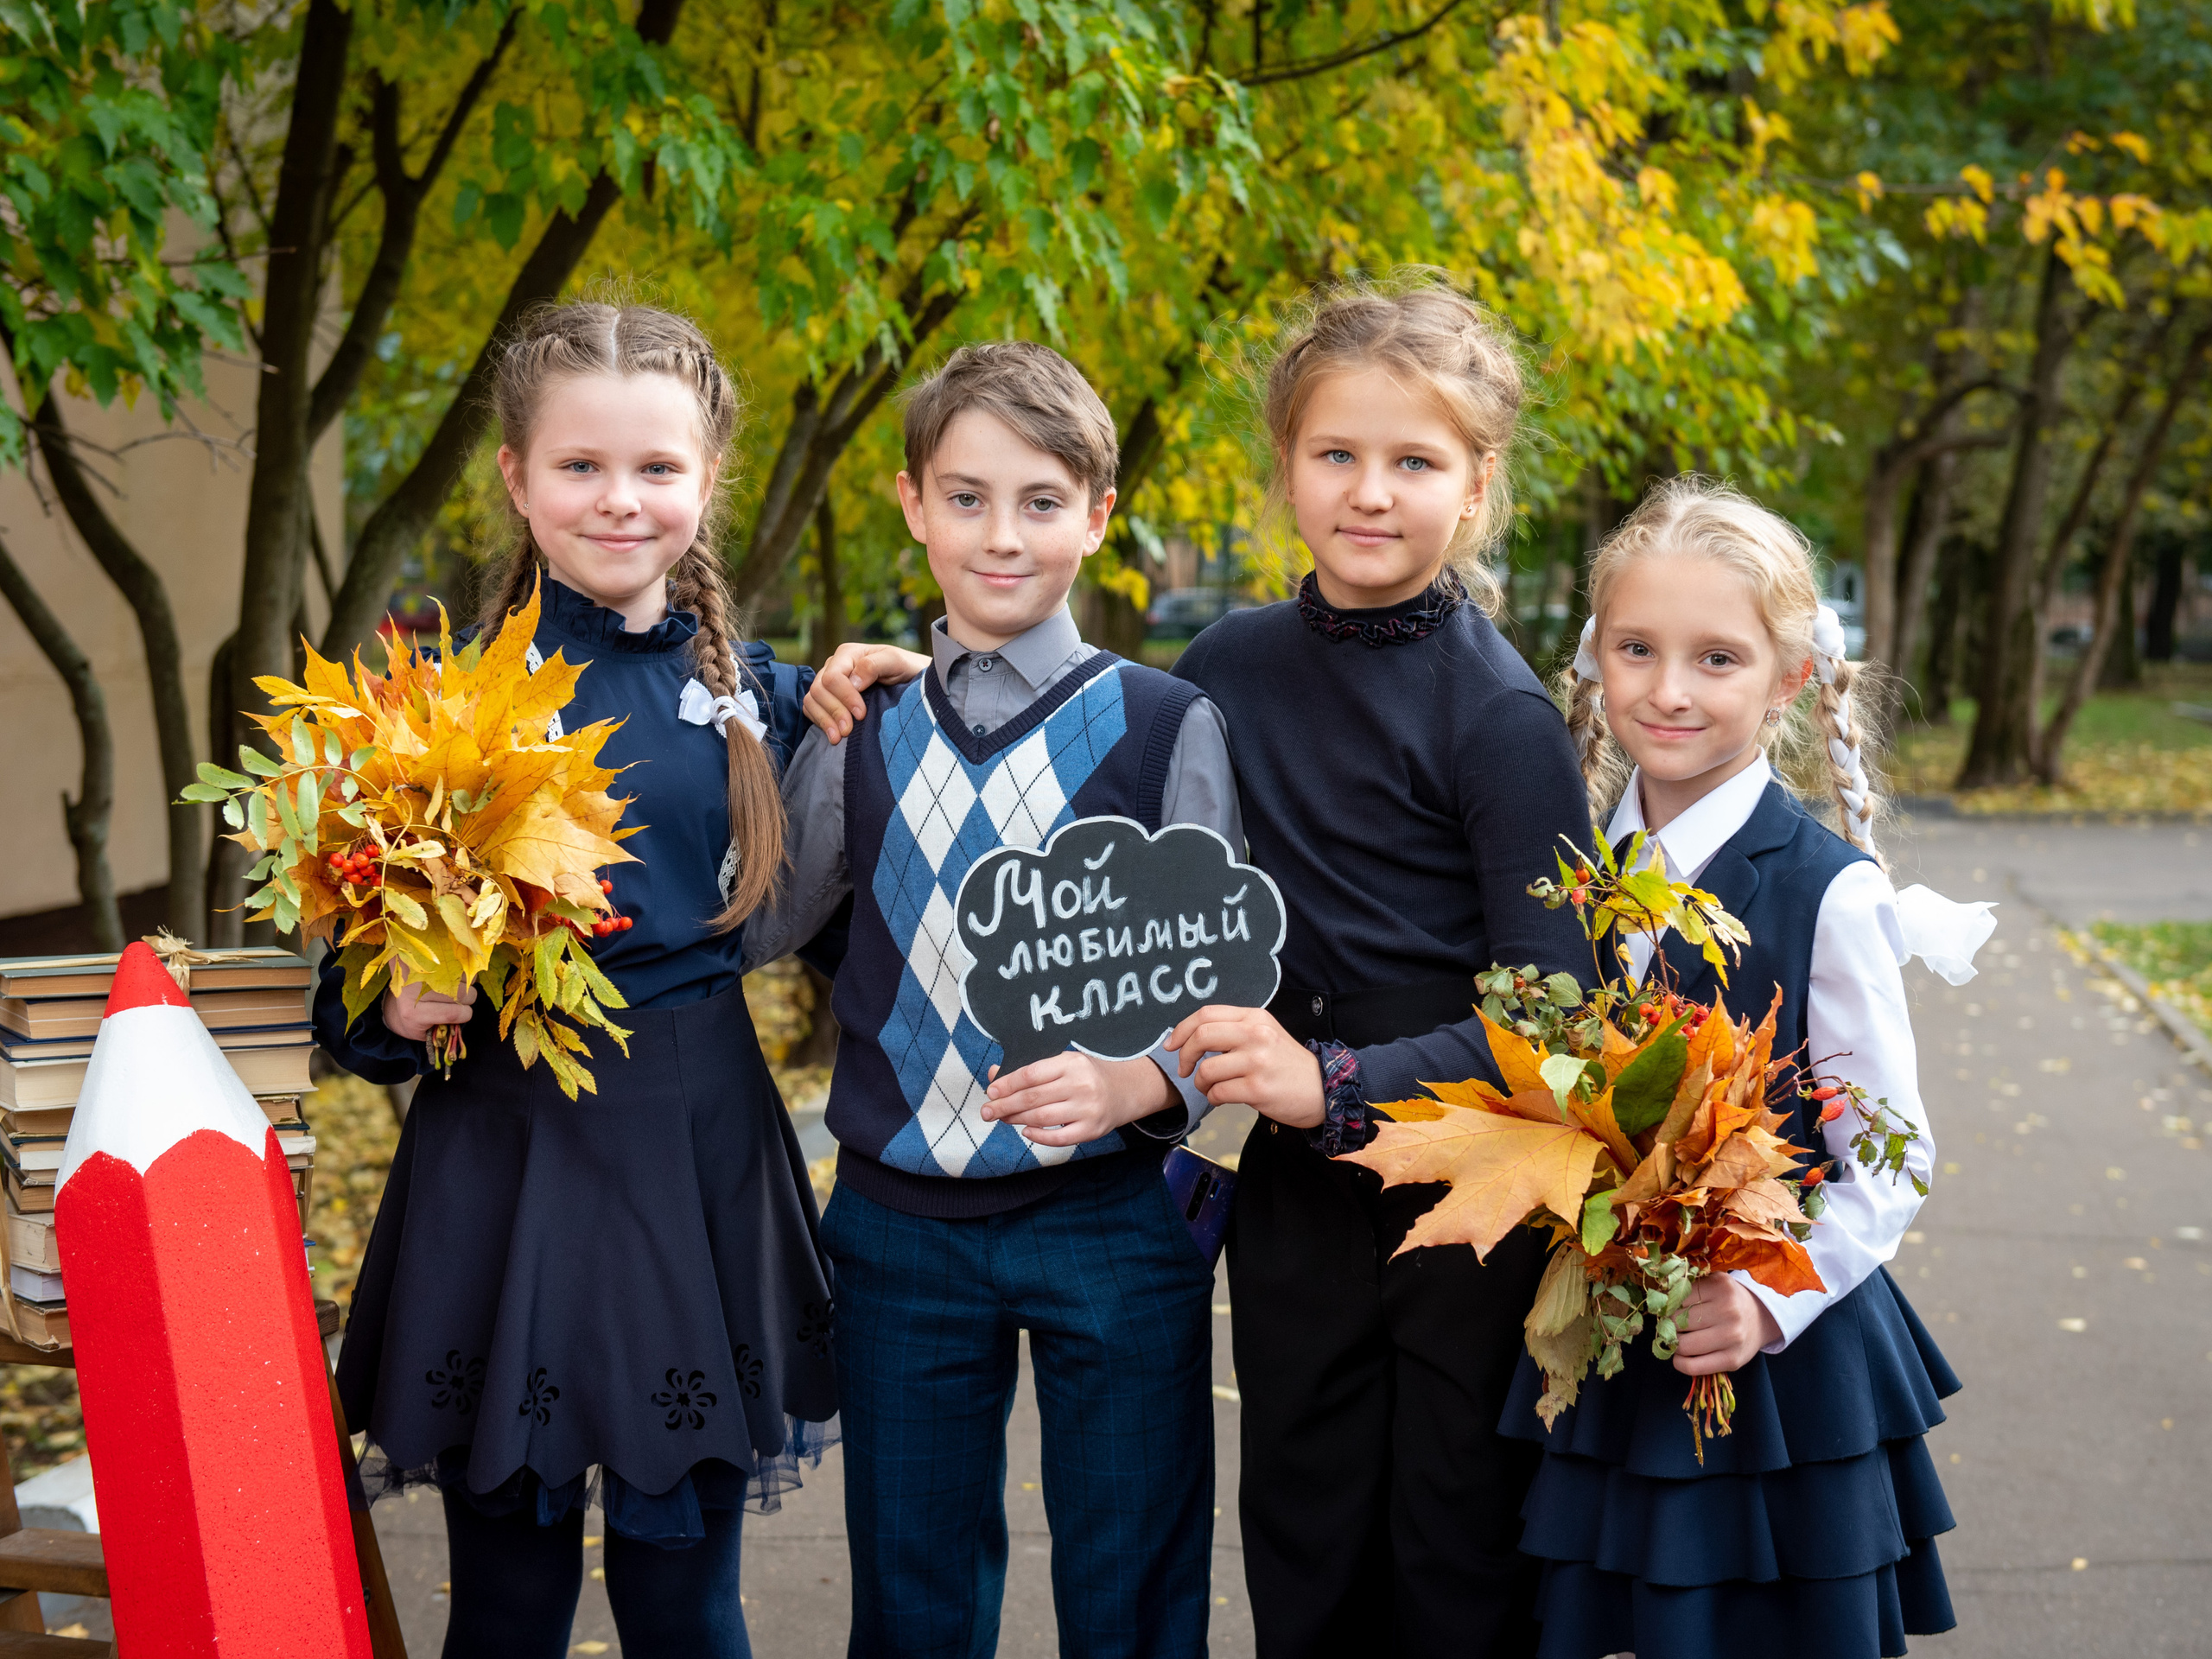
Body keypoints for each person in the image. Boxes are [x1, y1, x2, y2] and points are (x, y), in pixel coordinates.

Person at [315, 301, 835, 1659]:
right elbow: (351, 982)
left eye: (657, 469)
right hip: (506, 1153)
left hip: (694, 1151)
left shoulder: (768, 704)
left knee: (683, 1595)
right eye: (581, 468)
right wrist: (391, 1004)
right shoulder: (433, 712)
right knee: (506, 1597)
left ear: (707, 480)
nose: (621, 501)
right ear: (516, 479)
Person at [746, 340, 1241, 1659]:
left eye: (1039, 501)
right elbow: (767, 922)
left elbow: (1221, 986)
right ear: (913, 505)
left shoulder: (1163, 721)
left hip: (1111, 1220)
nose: (1001, 535)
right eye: (965, 498)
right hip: (901, 1229)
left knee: (1133, 1591)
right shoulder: (867, 730)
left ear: (1097, 515)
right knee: (910, 1600)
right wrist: (784, 723)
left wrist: (1145, 1083)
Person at [1135, 274, 1596, 1659]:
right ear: (1285, 466)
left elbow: (1555, 1026)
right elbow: (1111, 826)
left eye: (1415, 461)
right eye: (1336, 453)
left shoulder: (1502, 717)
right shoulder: (1225, 666)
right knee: (1303, 1519)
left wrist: (1332, 1082)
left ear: (1477, 484)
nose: (1370, 491)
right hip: (1288, 1192)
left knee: (1453, 1545)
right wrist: (911, 683)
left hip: (1461, 1184)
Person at [1503, 474, 1967, 1658]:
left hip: (1777, 1379)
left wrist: (1766, 1299)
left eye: (1717, 659)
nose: (1667, 691)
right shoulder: (1572, 883)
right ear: (1594, 660)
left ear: (1790, 680)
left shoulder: (1829, 893)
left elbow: (1890, 1164)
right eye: (1637, 649)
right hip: (1613, 1355)